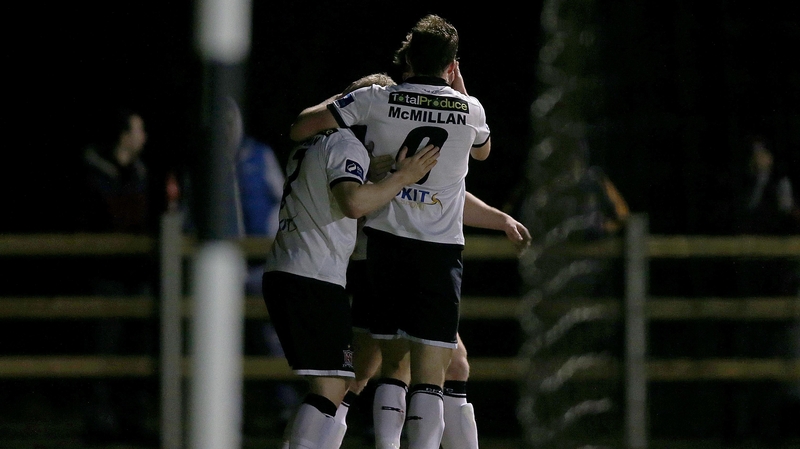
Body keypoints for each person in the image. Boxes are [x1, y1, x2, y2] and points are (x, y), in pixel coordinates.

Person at [290, 14, 491, 449]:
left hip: (380, 248)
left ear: (408, 57)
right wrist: (460, 90)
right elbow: (484, 150)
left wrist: (350, 99)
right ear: (451, 64)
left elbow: (302, 127)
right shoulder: (469, 109)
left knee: (388, 364)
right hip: (437, 252)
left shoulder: (377, 99)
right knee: (429, 376)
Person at [263, 73, 440, 449]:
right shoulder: (346, 145)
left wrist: (383, 175)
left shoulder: (313, 142)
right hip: (311, 276)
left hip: (292, 270)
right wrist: (404, 176)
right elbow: (354, 203)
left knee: (338, 383)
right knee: (331, 386)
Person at [344, 190, 531, 449]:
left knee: (452, 365)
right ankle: (305, 436)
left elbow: (447, 188)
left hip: (402, 258)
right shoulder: (399, 153)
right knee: (368, 372)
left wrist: (501, 220)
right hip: (388, 258)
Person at [77, 106, 158, 445]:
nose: (145, 137)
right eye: (139, 130)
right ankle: (100, 420)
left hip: (137, 275)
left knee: (136, 349)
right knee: (105, 349)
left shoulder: (140, 171)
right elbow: (107, 217)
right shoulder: (92, 172)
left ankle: (131, 419)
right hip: (105, 275)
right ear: (124, 135)